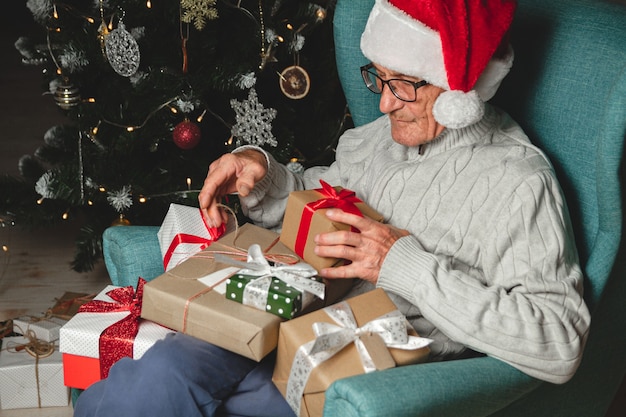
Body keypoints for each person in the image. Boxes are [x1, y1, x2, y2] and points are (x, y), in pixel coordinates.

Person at [74, 0, 591, 416]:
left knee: (236, 400)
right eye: (379, 78)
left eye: (405, 85)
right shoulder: (375, 140)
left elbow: (560, 341)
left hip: (358, 367)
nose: (385, 103)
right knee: (162, 374)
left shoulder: (518, 183)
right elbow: (314, 203)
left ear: (460, 90)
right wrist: (263, 172)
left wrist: (406, 266)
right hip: (285, 309)